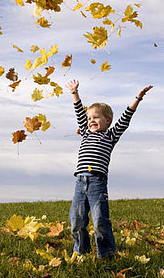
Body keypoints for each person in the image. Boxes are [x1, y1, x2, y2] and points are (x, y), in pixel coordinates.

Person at [65, 79, 153, 258]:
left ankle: (106, 254)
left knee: (100, 220)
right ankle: (80, 252)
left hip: (97, 182)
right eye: (89, 118)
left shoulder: (110, 135)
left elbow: (126, 117)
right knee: (76, 220)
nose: (91, 121)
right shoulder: (85, 131)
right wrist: (74, 92)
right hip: (80, 181)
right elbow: (79, 113)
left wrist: (138, 98)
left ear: (107, 121)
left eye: (95, 118)